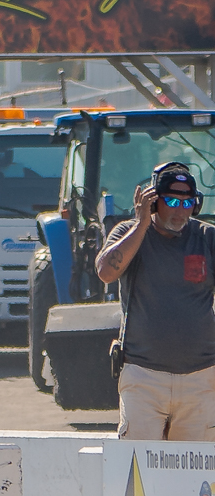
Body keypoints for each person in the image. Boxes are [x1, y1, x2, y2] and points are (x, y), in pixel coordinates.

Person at [93, 162, 215, 440]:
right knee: (137, 460)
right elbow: (106, 273)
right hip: (143, 377)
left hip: (201, 378)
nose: (180, 210)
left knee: (195, 466)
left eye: (187, 203)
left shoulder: (207, 238)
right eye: (171, 201)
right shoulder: (128, 233)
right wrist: (141, 225)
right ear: (153, 201)